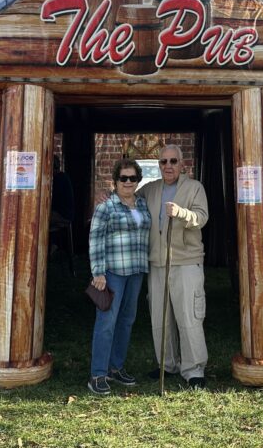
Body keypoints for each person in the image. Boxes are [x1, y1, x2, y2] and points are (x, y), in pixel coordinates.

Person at [138, 144, 210, 389]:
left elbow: (202, 217)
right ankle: (167, 364)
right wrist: (109, 198)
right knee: (160, 317)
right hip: (158, 263)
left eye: (172, 161)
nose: (167, 166)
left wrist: (182, 213)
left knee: (189, 316)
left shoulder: (195, 188)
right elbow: (128, 198)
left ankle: (194, 370)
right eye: (163, 162)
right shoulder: (150, 189)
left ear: (182, 164)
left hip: (186, 262)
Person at [87, 158, 151, 396]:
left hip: (136, 271)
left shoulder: (142, 204)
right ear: (115, 181)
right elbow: (95, 239)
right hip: (112, 273)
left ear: (138, 180)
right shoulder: (106, 207)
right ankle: (98, 374)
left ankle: (116, 367)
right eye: (123, 178)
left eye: (132, 178)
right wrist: (98, 272)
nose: (128, 182)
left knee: (127, 320)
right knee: (106, 322)